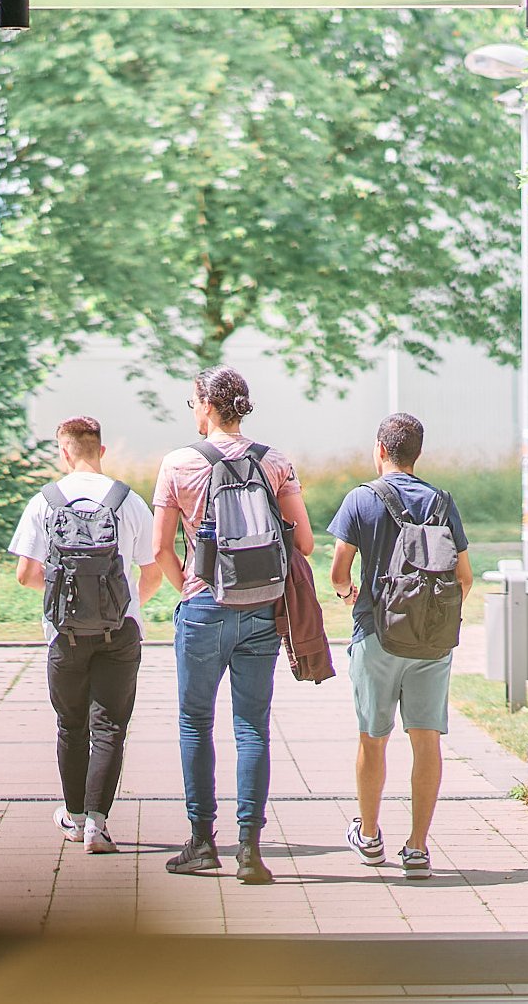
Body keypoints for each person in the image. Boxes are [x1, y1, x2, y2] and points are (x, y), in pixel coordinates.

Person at [151, 366, 315, 885]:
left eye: (192, 401)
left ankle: (202, 842)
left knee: (195, 721)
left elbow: (158, 550)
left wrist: (191, 591)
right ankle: (250, 850)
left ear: (205, 405)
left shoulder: (178, 464)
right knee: (252, 726)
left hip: (204, 609)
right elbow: (304, 543)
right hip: (263, 610)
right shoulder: (276, 462)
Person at [328, 413, 473, 879]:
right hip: (432, 644)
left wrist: (350, 597)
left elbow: (337, 573)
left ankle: (369, 837)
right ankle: (417, 849)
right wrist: (431, 618)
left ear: (380, 449)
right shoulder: (441, 502)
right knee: (426, 739)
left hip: (376, 635)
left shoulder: (360, 499)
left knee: (374, 738)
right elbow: (464, 578)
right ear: (417, 454)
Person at [8, 416, 162, 854]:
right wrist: (122, 604)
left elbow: (26, 575)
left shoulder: (45, 500)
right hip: (120, 633)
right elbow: (151, 573)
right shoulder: (126, 499)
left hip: (64, 635)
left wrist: (65, 597)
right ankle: (97, 824)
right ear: (102, 451)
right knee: (110, 726)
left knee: (70, 726)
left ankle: (73, 818)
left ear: (65, 452)